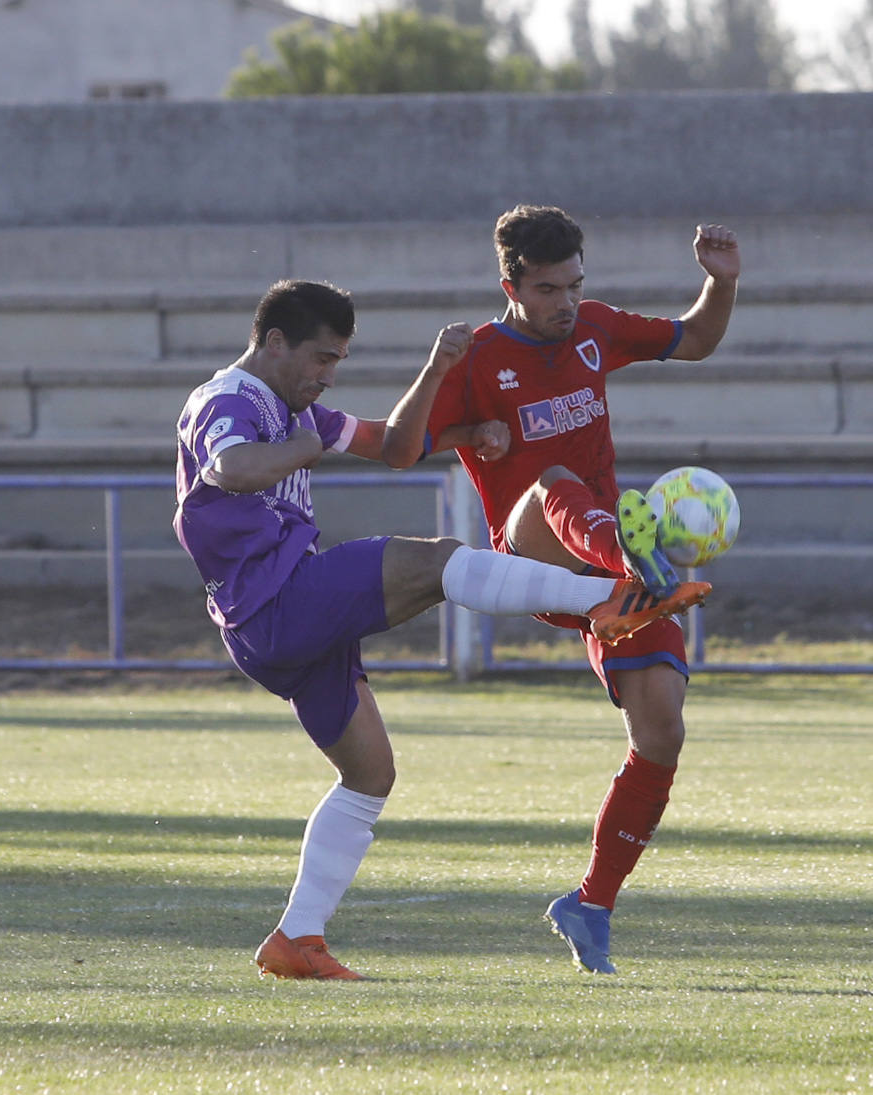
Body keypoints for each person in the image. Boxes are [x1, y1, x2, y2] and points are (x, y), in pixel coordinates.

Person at [172, 278, 708, 981]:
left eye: (336, 362)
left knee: (369, 775)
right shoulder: (229, 399)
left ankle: (296, 939)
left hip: (275, 623)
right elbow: (230, 466)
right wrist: (306, 446)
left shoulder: (299, 405)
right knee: (434, 562)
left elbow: (393, 445)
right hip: (276, 598)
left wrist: (452, 409)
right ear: (274, 342)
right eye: (320, 360)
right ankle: (607, 595)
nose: (327, 376)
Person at [381, 206, 741, 974]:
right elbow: (399, 448)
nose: (566, 302)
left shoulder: (596, 330)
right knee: (553, 480)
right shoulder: (476, 357)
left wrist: (720, 283)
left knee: (662, 734)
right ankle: (632, 557)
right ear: (509, 284)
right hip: (535, 554)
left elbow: (698, 338)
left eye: (574, 284)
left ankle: (589, 905)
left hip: (607, 578)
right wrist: (458, 417)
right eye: (548, 289)